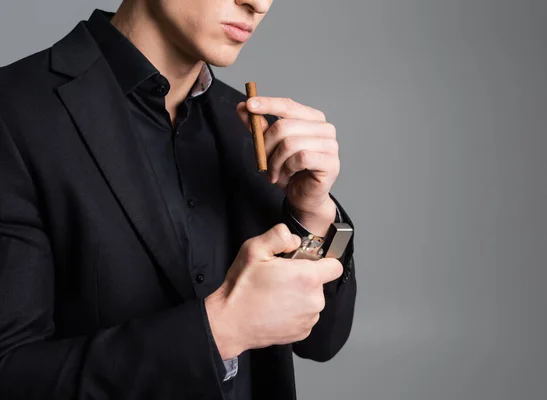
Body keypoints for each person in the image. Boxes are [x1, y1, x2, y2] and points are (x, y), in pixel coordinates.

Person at [0, 0, 356, 399]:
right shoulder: (13, 113)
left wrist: (311, 214)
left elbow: (321, 341)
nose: (259, 4)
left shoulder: (254, 131)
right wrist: (220, 331)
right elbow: (10, 373)